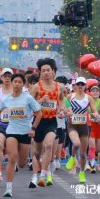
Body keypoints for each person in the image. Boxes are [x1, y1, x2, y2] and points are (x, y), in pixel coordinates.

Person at [0, 73, 42, 198]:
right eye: (15, 82)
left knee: (22, 164)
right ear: (12, 83)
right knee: (12, 158)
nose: (17, 84)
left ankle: (24, 163)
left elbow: (39, 113)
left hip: (25, 132)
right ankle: (8, 188)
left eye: (20, 82)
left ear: (23, 84)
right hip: (11, 131)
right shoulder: (6, 99)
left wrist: (33, 128)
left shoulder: (28, 98)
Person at [29, 58, 66, 188]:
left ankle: (43, 175)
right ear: (40, 72)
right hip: (38, 122)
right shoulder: (36, 87)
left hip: (51, 121)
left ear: (53, 71)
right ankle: (34, 176)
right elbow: (28, 104)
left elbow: (61, 100)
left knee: (49, 145)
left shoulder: (59, 87)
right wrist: (40, 101)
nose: (46, 73)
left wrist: (61, 110)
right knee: (37, 152)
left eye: (48, 70)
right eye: (43, 70)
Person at [65, 77, 100, 184]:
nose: (80, 86)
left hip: (84, 127)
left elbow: (94, 110)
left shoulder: (88, 98)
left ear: (85, 86)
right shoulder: (70, 97)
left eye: (82, 84)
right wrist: (67, 113)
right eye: (78, 84)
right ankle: (72, 158)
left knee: (84, 154)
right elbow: (65, 109)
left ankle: (81, 173)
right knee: (76, 144)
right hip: (72, 125)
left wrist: (95, 115)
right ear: (75, 85)